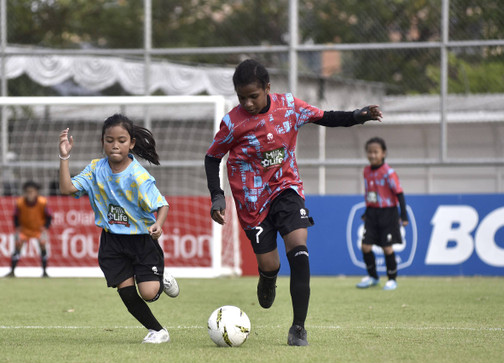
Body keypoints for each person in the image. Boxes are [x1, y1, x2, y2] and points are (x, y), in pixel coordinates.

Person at [205, 59, 383, 346]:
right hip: (251, 201)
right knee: (270, 263)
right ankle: (267, 277)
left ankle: (298, 327)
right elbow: (212, 157)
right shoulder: (232, 123)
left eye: (254, 96)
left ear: (267, 88)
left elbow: (325, 116)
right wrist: (217, 196)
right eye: (242, 98)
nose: (248, 103)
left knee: (298, 246)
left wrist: (357, 115)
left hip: (286, 189)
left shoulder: (289, 107)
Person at [57, 114, 180, 344]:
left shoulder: (139, 176)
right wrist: (64, 157)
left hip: (141, 240)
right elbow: (66, 188)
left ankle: (160, 278)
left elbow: (162, 204)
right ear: (102, 141)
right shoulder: (95, 169)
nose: (115, 145)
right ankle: (158, 331)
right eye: (109, 139)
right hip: (112, 242)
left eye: (121, 140)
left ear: (131, 143)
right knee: (126, 291)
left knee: (149, 293)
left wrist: (158, 225)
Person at [356, 137, 408, 291]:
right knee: (365, 246)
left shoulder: (389, 172)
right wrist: (367, 211)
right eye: (369, 152)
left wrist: (403, 215)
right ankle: (373, 277)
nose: (372, 155)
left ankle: (392, 279)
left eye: (375, 152)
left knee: (387, 247)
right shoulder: (366, 171)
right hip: (372, 213)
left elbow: (399, 193)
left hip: (388, 212)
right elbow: (370, 193)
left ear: (383, 153)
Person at [5, 181, 52, 278]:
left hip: (39, 229)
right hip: (24, 229)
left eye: (32, 192)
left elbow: (49, 216)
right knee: (18, 246)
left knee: (43, 245)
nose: (30, 194)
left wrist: (46, 227)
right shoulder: (20, 202)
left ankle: (44, 272)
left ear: (36, 192)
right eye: (28, 192)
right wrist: (17, 228)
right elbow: (15, 216)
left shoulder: (42, 202)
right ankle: (12, 271)